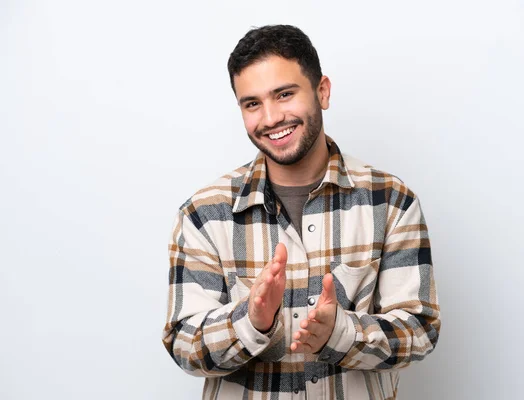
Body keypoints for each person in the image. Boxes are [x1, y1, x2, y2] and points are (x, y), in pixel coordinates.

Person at [162, 24, 441, 399]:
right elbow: (183, 343)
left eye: (285, 94)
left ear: (322, 92)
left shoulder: (392, 201)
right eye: (252, 103)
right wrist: (251, 322)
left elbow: (420, 329)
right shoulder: (204, 213)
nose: (271, 117)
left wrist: (340, 333)